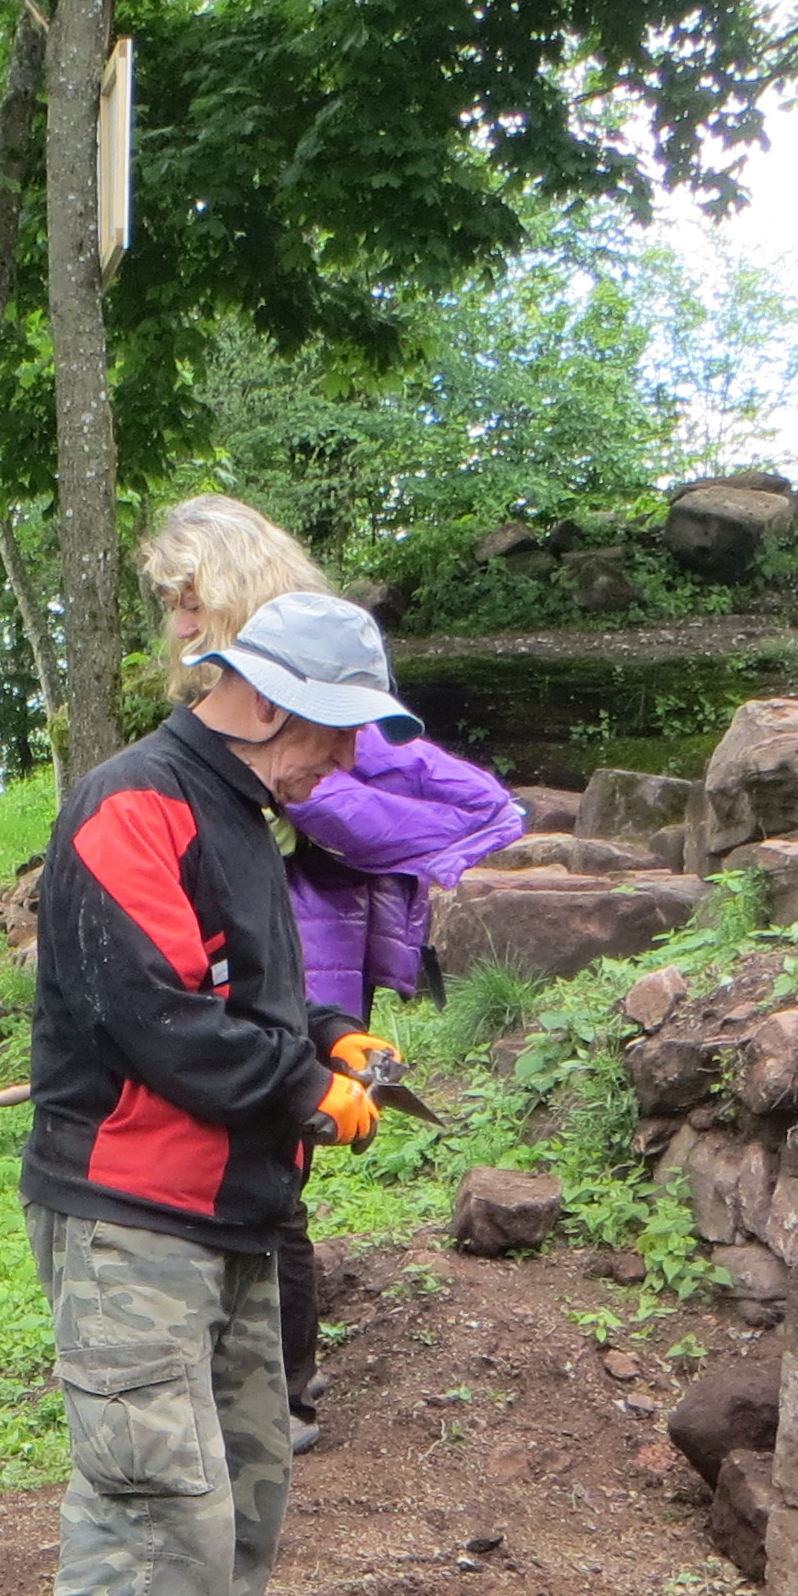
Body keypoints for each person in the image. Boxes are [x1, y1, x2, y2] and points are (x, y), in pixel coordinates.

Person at [25, 588, 418, 1596]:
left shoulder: (242, 818)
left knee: (244, 1487)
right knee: (156, 1498)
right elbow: (156, 1021)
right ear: (261, 701)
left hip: (234, 1215)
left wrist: (329, 1039)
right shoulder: (133, 802)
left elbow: (237, 996)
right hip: (132, 1213)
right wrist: (304, 1091)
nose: (343, 757)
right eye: (333, 728)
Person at [140, 497, 522, 1430]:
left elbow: (481, 809)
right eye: (172, 604)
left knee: (276, 1193)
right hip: (247, 978)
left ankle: (284, 1402)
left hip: (311, 979)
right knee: (234, 1181)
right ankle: (232, 1393)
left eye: (190, 600)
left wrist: (305, 800)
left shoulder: (335, 729)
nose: (178, 625)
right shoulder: (206, 746)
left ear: (238, 595)